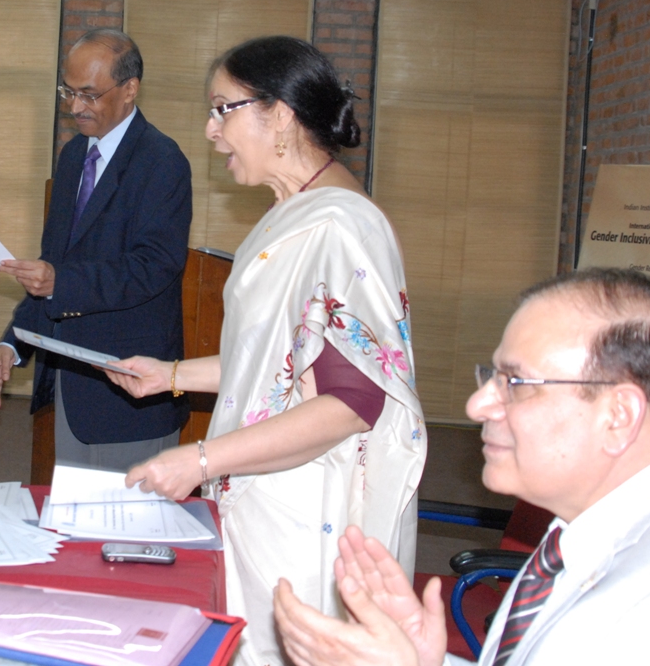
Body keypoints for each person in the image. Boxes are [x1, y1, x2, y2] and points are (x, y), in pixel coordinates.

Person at [107, 36, 426, 666]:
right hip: (265, 481)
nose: (211, 130)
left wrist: (200, 460)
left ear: (278, 115)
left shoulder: (337, 226)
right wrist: (170, 375)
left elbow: (350, 403)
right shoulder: (296, 209)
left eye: (222, 109)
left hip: (303, 501)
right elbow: (280, 358)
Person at [272, 268, 650, 666]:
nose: (477, 405)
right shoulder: (593, 526)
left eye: (516, 382)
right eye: (491, 376)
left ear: (619, 415)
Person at [0, 29, 193, 471]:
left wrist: (60, 281)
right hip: (72, 380)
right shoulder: (74, 154)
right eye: (69, 92)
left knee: (127, 514)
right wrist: (12, 344)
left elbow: (154, 266)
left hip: (131, 387)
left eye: (90, 95)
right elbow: (54, 264)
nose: (76, 107)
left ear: (130, 89)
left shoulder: (162, 161)